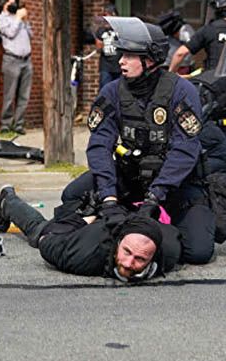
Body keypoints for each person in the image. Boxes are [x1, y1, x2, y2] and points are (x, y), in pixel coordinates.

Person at [61, 16, 217, 264]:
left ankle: (154, 226)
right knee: (71, 196)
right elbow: (100, 146)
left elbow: (185, 150)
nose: (121, 61)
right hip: (132, 178)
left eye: (130, 55)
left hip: (175, 186)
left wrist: (155, 196)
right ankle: (124, 216)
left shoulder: (181, 91)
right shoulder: (111, 92)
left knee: (198, 252)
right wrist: (109, 198)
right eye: (121, 54)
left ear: (151, 59)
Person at [0, 186, 181, 281]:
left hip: (130, 210)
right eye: (127, 252)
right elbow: (46, 242)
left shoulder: (169, 251)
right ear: (120, 243)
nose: (128, 263)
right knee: (40, 229)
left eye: (140, 259)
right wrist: (84, 220)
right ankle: (8, 201)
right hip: (87, 219)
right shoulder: (83, 255)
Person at [168, 0, 226, 73]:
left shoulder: (209, 29)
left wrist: (170, 76)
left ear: (218, 7)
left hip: (213, 81)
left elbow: (180, 53)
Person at [0, 0, 32, 136]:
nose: (15, 4)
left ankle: (18, 124)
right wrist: (17, 18)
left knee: (24, 95)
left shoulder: (20, 19)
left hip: (26, 59)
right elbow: (10, 33)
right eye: (11, 2)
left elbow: (31, 34)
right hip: (12, 60)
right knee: (10, 94)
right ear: (5, 4)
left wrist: (26, 21)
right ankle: (6, 124)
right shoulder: (1, 19)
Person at [157, 9, 194, 75]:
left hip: (182, 66)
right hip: (168, 65)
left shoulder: (185, 30)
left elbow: (186, 49)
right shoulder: (168, 37)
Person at [94, 4, 122, 88]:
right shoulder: (101, 30)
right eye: (104, 16)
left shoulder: (121, 29)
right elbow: (98, 48)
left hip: (119, 65)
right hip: (106, 66)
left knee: (119, 90)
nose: (106, 19)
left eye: (107, 15)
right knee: (105, 89)